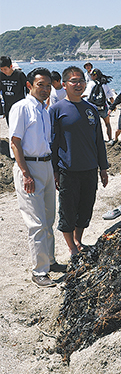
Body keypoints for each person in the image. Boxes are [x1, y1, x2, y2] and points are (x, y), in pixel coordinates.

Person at [9, 67, 66, 288]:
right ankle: (39, 271)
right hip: (29, 168)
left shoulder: (44, 109)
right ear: (29, 85)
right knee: (36, 223)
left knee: (49, 218)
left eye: (48, 85)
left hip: (46, 167)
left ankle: (50, 261)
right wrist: (25, 173)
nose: (45, 89)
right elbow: (15, 143)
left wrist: (53, 170)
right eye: (40, 84)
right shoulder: (21, 108)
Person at [49, 66, 109, 256]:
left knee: (85, 209)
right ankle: (72, 248)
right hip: (68, 169)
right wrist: (54, 170)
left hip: (90, 168)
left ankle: (78, 240)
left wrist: (103, 168)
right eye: (73, 81)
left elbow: (99, 140)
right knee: (67, 210)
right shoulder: (56, 109)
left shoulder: (91, 109)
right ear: (64, 85)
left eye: (81, 81)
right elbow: (52, 142)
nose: (78, 84)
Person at [82, 67, 114, 141]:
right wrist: (113, 106)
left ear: (95, 76)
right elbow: (111, 97)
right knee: (107, 124)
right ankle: (110, 139)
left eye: (91, 75)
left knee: (93, 125)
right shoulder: (105, 84)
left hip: (93, 108)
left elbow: (86, 94)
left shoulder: (91, 83)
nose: (90, 76)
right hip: (103, 107)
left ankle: (94, 139)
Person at [0, 56, 27, 124]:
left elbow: (28, 88)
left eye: (5, 69)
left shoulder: (19, 74)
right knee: (11, 127)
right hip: (7, 106)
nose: (3, 71)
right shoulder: (1, 75)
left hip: (19, 106)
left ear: (11, 66)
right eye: (1, 69)